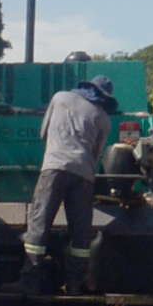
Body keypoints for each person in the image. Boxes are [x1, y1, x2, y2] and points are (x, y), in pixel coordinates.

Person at [24, 75, 118, 294]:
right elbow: (97, 154)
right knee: (81, 231)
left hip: (54, 167)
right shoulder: (103, 117)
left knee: (40, 223)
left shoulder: (59, 98)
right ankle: (75, 283)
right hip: (84, 174)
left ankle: (30, 281)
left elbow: (42, 134)